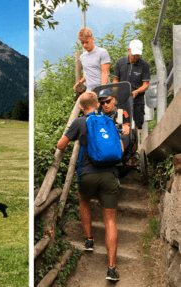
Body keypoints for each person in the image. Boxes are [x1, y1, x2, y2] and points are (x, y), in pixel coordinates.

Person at [57, 91, 120, 281]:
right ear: (97, 104)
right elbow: (120, 149)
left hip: (88, 174)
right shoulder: (109, 121)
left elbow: (61, 145)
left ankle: (89, 240)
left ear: (82, 107)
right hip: (110, 175)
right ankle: (111, 269)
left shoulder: (79, 122)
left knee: (84, 200)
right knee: (110, 220)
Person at [112, 39, 151, 131]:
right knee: (120, 122)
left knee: (137, 124)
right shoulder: (120, 62)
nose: (135, 57)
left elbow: (146, 84)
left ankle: (135, 142)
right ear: (129, 50)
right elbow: (115, 80)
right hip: (122, 99)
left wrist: (137, 92)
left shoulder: (144, 65)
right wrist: (115, 93)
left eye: (137, 55)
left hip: (137, 99)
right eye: (133, 54)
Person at [74, 27, 111, 93]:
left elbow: (105, 73)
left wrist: (103, 91)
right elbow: (88, 72)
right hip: (89, 92)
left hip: (102, 90)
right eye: (82, 43)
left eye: (86, 42)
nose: (84, 45)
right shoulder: (82, 57)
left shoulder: (102, 52)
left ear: (92, 39)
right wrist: (80, 82)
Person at [98, 89, 130, 154]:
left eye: (108, 101)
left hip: (117, 140)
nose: (105, 105)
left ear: (113, 100)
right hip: (103, 140)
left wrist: (124, 128)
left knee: (126, 135)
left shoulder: (122, 113)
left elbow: (127, 129)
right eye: (102, 103)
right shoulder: (98, 116)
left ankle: (119, 155)